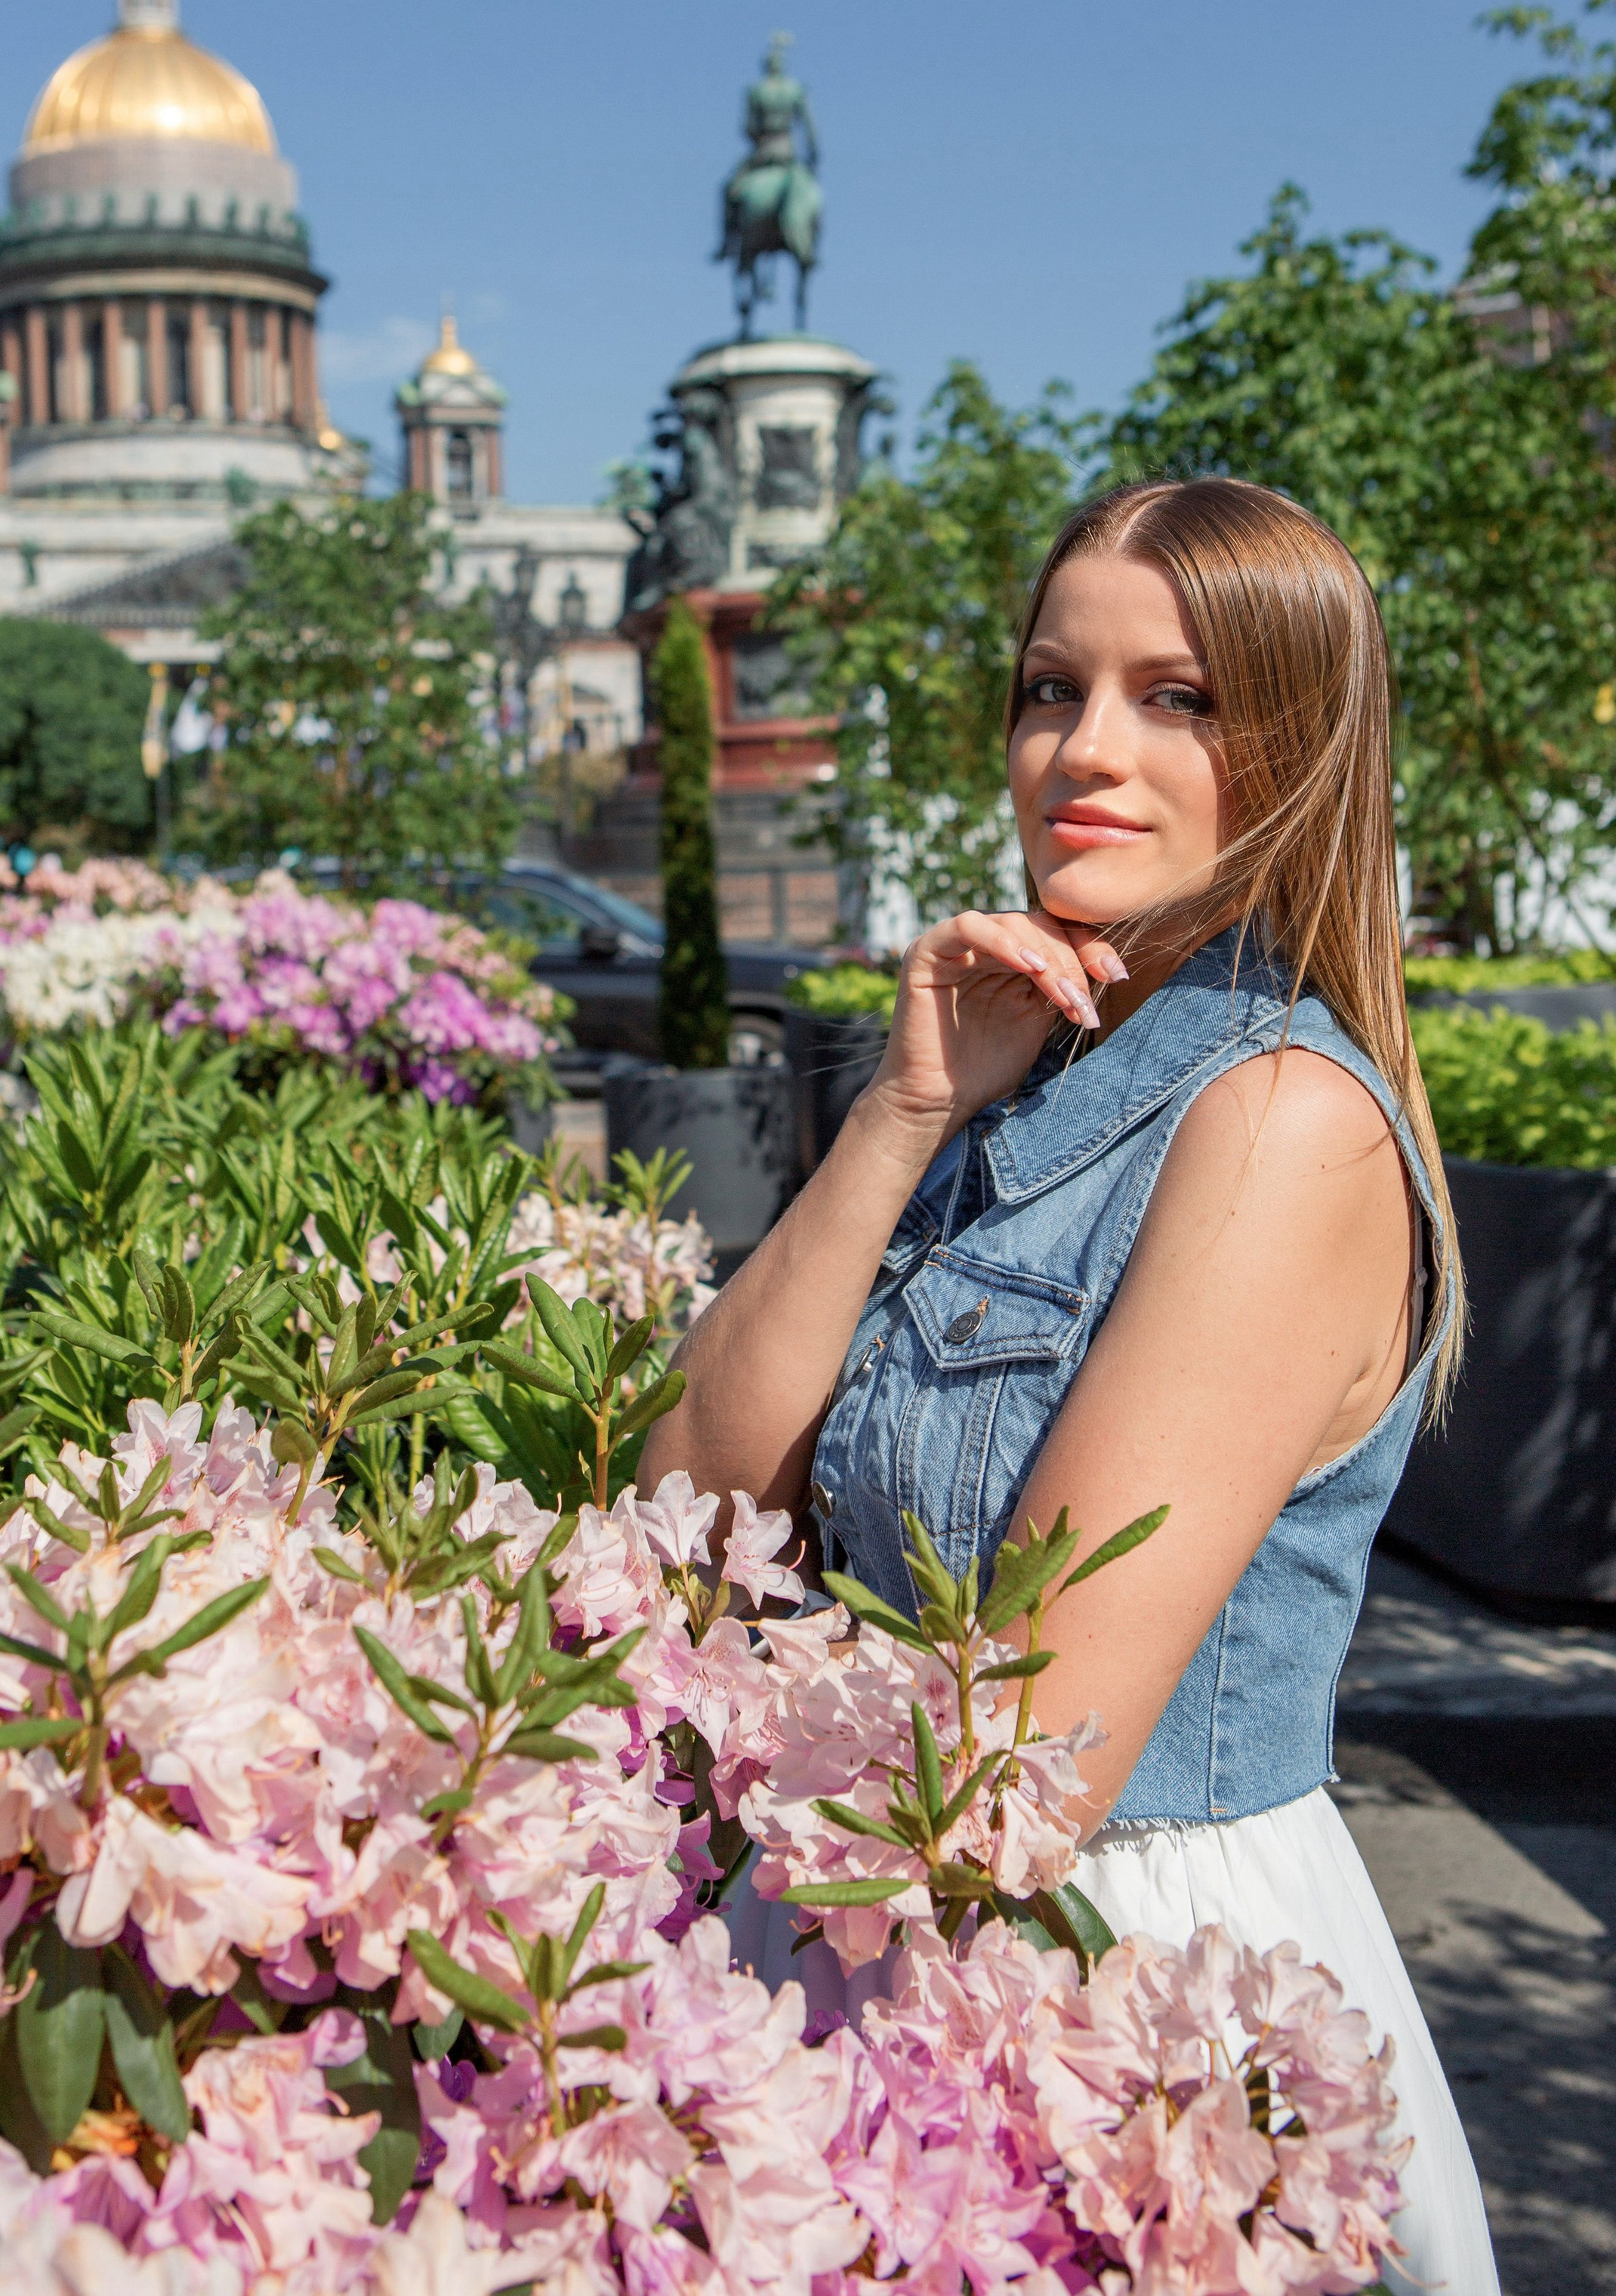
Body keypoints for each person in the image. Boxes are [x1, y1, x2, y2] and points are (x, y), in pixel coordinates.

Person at [640, 477, 1499, 2296]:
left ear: (1300, 746)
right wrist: (901, 1113)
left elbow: (1023, 1748)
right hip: (886, 1928)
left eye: (1175, 698)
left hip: (1124, 2000)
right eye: (1050, 689)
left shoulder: (1275, 1123)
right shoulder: (1026, 1070)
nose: (1082, 751)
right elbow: (685, 1512)